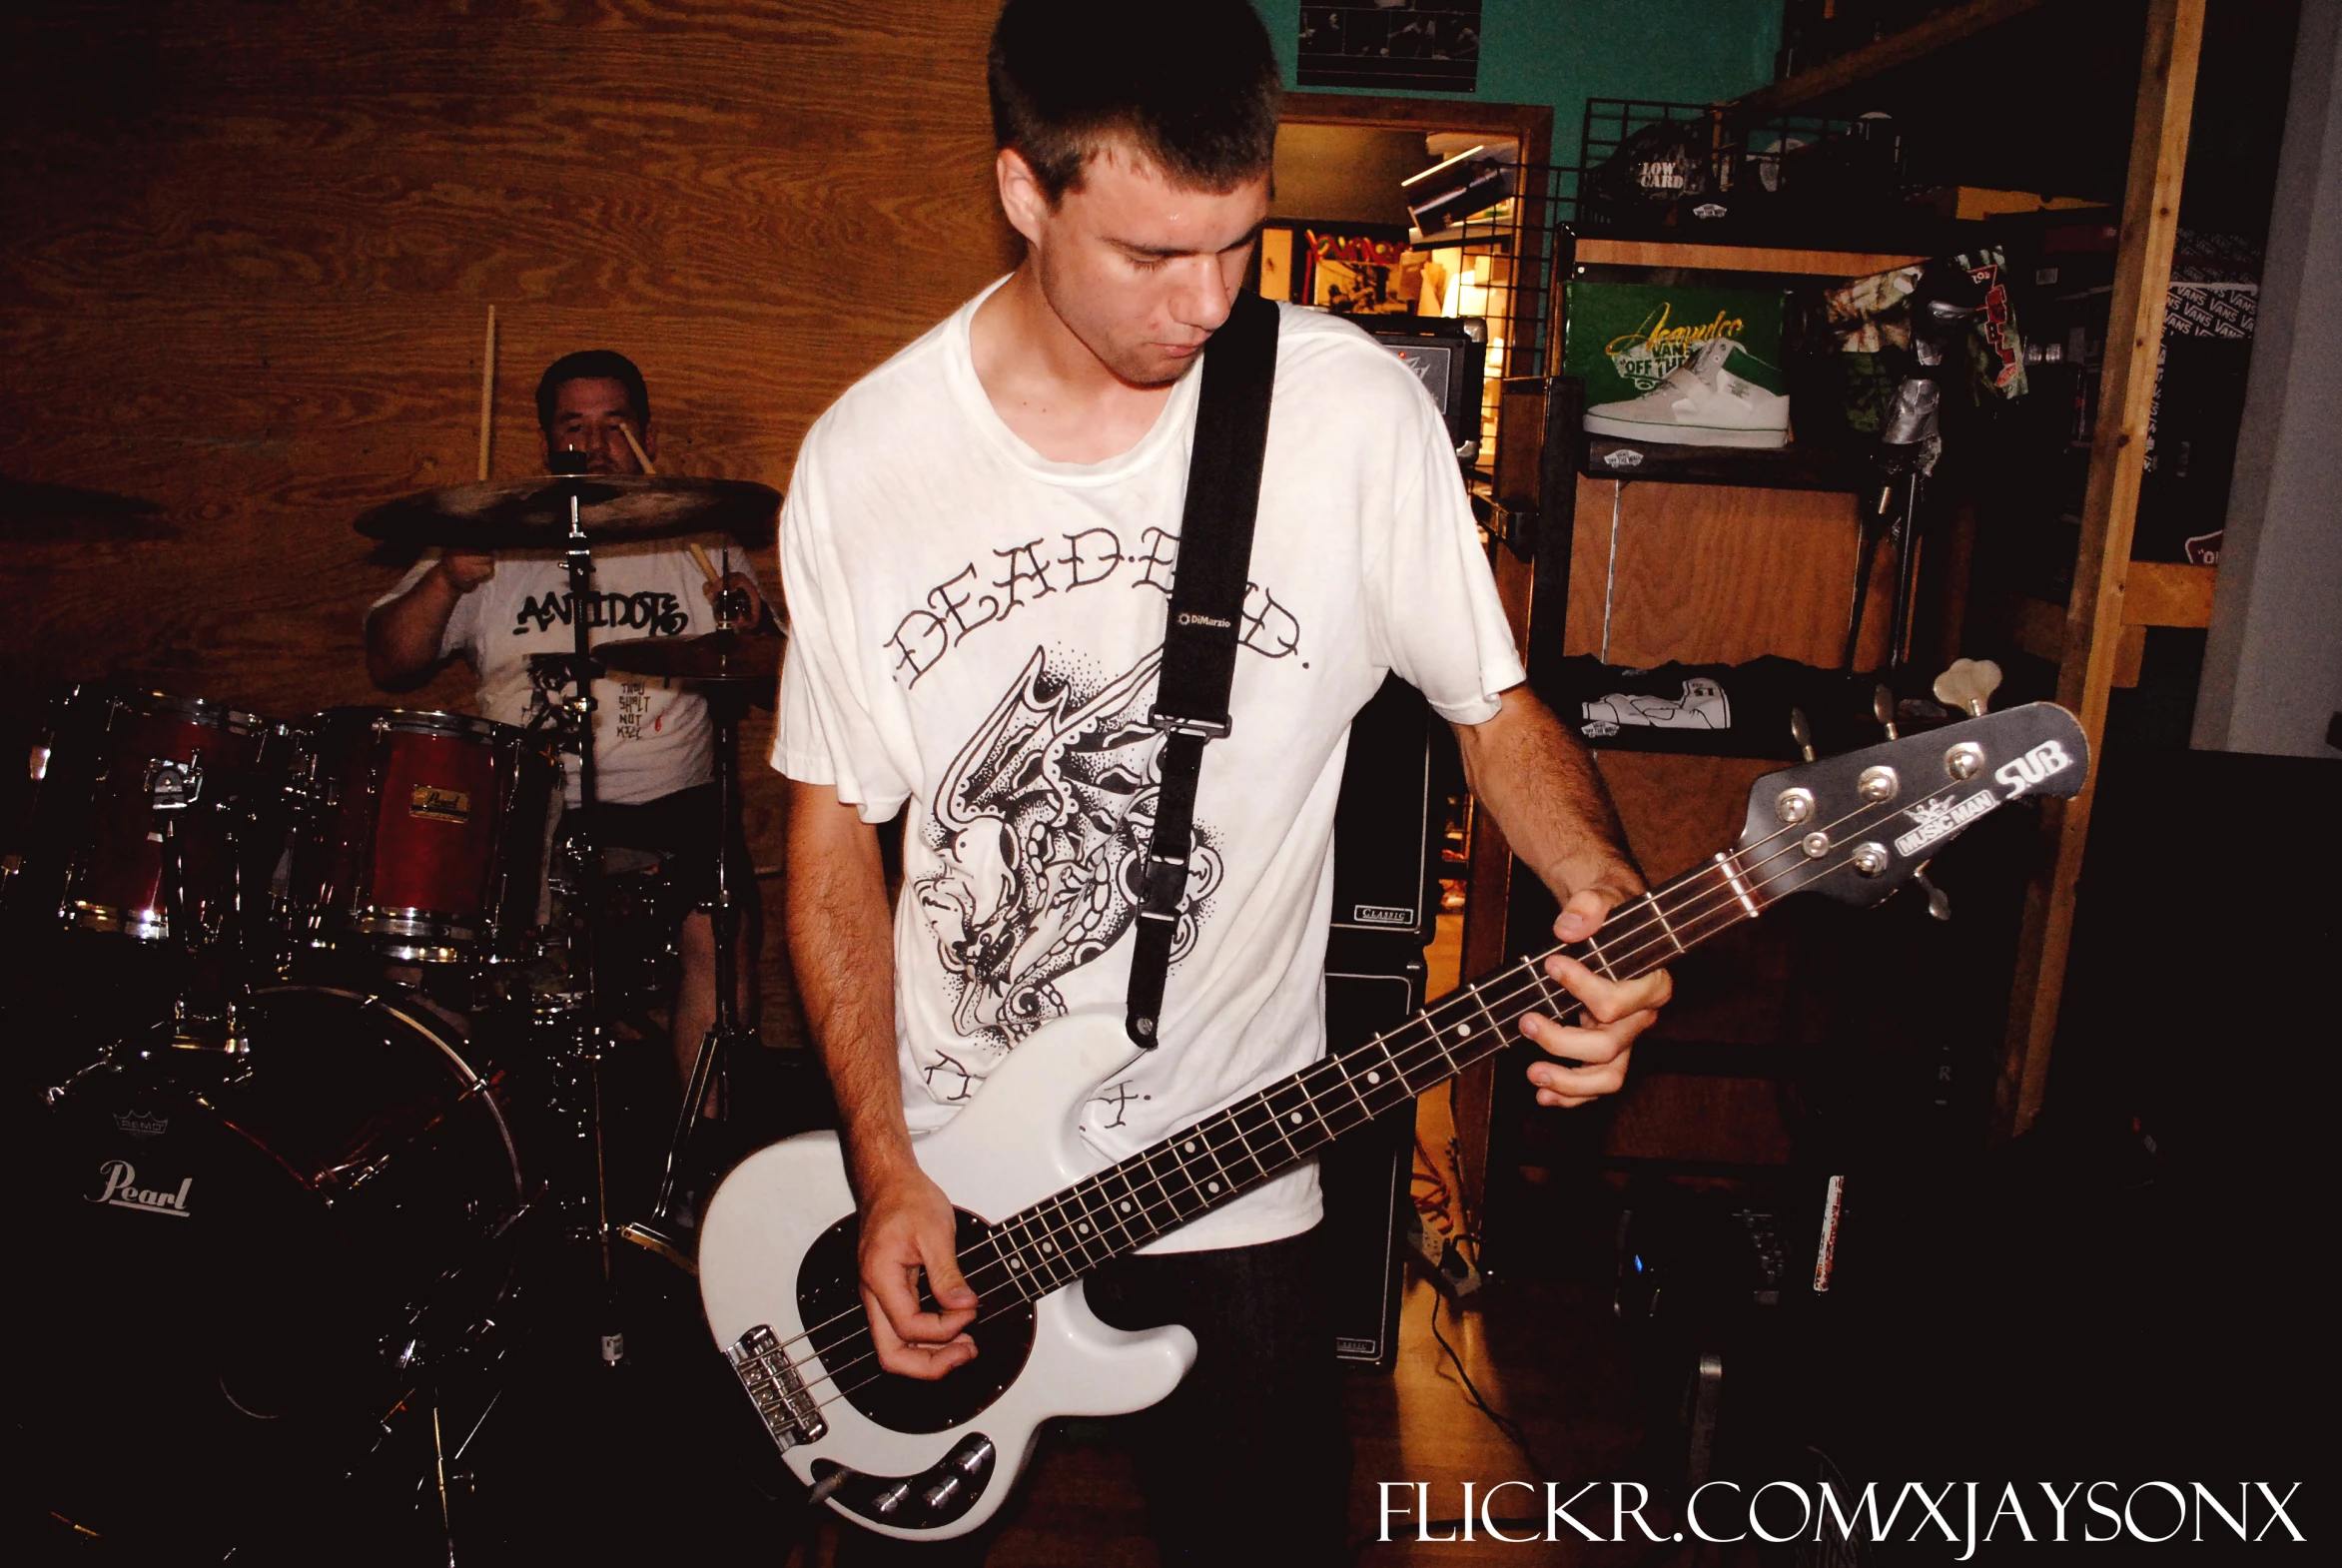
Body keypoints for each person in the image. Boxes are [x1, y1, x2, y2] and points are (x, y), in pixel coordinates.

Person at [772, 2, 1671, 1557]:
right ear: (1022, 191)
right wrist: (884, 1160)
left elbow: (1494, 709)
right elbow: (833, 830)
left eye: (1237, 244)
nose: (1206, 302)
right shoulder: (867, 463)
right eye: (1147, 255)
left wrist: (1598, 882)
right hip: (948, 1160)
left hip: (1233, 1166)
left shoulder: (1344, 414)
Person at [367, 350, 761, 1084]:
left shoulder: (697, 539)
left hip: (671, 807)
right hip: (525, 804)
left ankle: (705, 1158)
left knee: (723, 920)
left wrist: (752, 621)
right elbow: (390, 661)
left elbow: (763, 662)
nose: (595, 444)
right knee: (436, 936)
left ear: (648, 432)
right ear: (546, 439)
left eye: (615, 423)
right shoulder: (494, 534)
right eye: (573, 425)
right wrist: (448, 580)